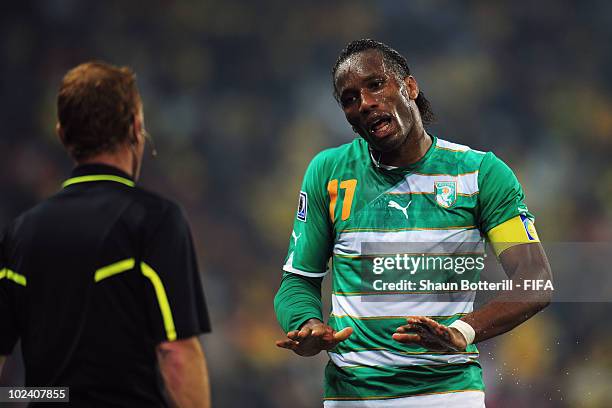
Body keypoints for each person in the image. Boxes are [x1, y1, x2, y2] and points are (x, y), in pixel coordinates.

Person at [274, 39, 552, 407]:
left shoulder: (480, 174)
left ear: (409, 87)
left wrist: (462, 331)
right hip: (353, 396)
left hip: (448, 394)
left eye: (375, 85)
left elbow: (535, 281)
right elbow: (297, 281)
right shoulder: (328, 173)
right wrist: (307, 323)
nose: (365, 103)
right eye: (350, 98)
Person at [0, 62, 211, 407]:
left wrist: (35, 398)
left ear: (62, 134)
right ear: (135, 128)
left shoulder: (20, 232)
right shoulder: (154, 220)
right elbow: (176, 353)